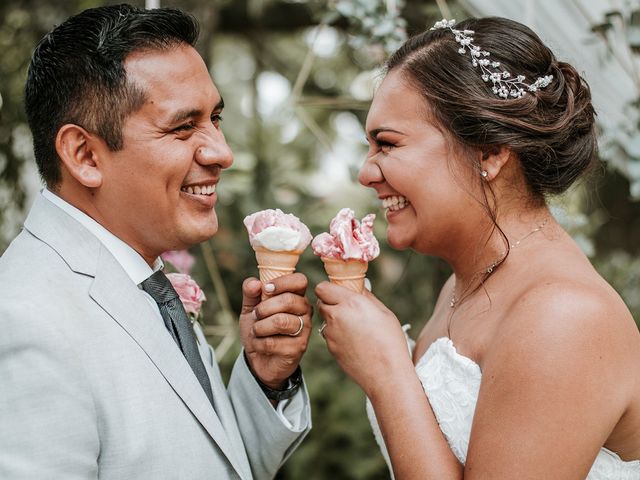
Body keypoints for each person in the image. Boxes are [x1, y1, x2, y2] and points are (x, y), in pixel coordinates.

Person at [316, 17, 640, 479]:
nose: (365, 173)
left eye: (386, 144)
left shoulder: (564, 315)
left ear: (488, 151)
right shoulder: (463, 283)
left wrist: (388, 372)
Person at [0, 5, 312, 479]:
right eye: (183, 127)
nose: (222, 153)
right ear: (85, 155)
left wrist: (265, 379)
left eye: (216, 118)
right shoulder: (23, 319)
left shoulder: (146, 281)